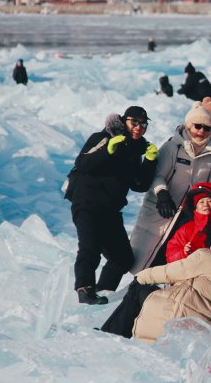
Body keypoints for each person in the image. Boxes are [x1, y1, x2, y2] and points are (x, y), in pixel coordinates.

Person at [101, 228, 211, 342]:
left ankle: (109, 336)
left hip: (176, 317)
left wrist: (140, 277)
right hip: (208, 332)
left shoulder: (208, 257)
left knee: (140, 289)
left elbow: (168, 273)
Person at [66, 106, 159, 304]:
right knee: (89, 248)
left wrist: (150, 161)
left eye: (143, 124)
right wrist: (108, 150)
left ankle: (104, 291)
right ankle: (85, 291)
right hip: (87, 203)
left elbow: (139, 185)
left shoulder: (135, 150)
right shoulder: (103, 137)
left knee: (123, 258)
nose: (138, 127)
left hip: (110, 210)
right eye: (134, 122)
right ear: (124, 121)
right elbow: (83, 163)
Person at [129, 102, 211, 273]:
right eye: (197, 126)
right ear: (188, 125)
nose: (201, 131)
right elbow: (157, 175)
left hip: (188, 216)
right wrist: (162, 194)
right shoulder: (172, 147)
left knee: (173, 259)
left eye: (207, 128)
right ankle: (114, 287)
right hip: (161, 209)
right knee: (140, 259)